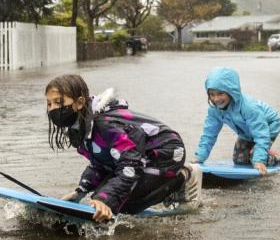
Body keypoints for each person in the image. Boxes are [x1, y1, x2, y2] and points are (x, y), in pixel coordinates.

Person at [44, 74, 201, 223]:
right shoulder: (80, 128)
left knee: (121, 205)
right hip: (139, 156)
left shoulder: (105, 125)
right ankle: (162, 188)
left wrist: (105, 199)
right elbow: (101, 164)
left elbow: (130, 165)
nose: (52, 109)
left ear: (79, 103)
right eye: (49, 104)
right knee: (102, 195)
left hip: (166, 153)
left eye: (58, 102)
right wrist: (81, 191)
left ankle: (183, 177)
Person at [190, 67, 280, 174]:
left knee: (255, 158)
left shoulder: (248, 107)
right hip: (246, 132)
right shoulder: (214, 110)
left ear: (231, 91)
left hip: (269, 125)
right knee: (239, 160)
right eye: (212, 94)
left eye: (220, 94)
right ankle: (265, 153)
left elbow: (261, 133)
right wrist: (200, 156)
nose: (216, 99)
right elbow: (209, 134)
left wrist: (259, 160)